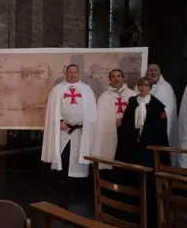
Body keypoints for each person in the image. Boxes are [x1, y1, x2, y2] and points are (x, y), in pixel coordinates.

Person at [115, 77, 170, 228]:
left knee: (148, 173)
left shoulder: (157, 105)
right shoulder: (132, 102)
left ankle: (149, 200)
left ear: (150, 87)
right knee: (133, 172)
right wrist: (132, 136)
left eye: (146, 85)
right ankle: (133, 197)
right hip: (134, 144)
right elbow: (126, 123)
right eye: (141, 85)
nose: (143, 88)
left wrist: (147, 138)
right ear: (138, 87)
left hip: (149, 145)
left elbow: (160, 128)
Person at [41, 64, 97, 192]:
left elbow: (92, 109)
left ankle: (78, 187)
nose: (72, 74)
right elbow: (52, 109)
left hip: (81, 131)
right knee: (63, 156)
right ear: (66, 73)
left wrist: (86, 124)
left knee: (80, 157)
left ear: (78, 74)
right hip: (63, 130)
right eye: (70, 72)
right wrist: (59, 121)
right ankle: (61, 185)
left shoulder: (86, 89)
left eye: (75, 72)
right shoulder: (58, 89)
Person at [92, 69, 136, 171]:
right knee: (110, 157)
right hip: (110, 132)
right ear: (110, 79)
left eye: (118, 76)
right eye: (113, 77)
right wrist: (113, 122)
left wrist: (124, 121)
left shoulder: (132, 95)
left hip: (127, 133)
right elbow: (101, 119)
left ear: (122, 78)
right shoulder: (104, 97)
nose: (116, 79)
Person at [135, 64, 178, 163]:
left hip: (157, 131)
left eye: (155, 70)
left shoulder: (166, 88)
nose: (153, 72)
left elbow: (169, 111)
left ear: (160, 72)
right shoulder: (139, 87)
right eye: (150, 70)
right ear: (146, 72)